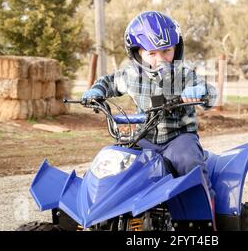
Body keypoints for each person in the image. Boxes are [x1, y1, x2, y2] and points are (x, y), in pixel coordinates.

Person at [82, 11, 218, 203]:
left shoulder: (184, 76)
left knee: (189, 160)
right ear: (138, 53)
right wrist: (96, 92)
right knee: (116, 163)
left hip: (178, 138)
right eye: (151, 53)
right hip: (143, 138)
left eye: (166, 51)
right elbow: (109, 82)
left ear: (176, 49)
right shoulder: (131, 76)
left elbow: (211, 94)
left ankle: (205, 209)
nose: (160, 59)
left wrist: (198, 91)